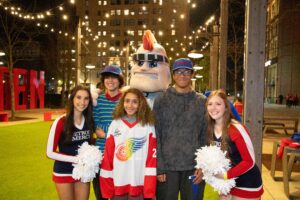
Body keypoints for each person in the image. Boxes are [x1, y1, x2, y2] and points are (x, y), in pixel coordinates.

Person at [153, 58, 207, 200]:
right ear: (173, 75)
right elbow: (156, 135)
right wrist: (159, 167)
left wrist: (202, 166)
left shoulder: (201, 101)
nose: (182, 75)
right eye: (178, 72)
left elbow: (205, 136)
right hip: (167, 168)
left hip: (193, 168)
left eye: (186, 72)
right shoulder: (161, 100)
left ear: (192, 74)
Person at [206, 89, 263, 199]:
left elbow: (249, 161)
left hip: (246, 182)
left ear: (226, 107)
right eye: (210, 104)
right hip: (225, 183)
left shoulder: (236, 129)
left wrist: (226, 175)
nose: (213, 108)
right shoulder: (209, 129)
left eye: (218, 104)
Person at [100, 88, 157, 199]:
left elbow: (152, 158)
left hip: (138, 182)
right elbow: (108, 156)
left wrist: (149, 188)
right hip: (119, 182)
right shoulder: (115, 124)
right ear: (122, 103)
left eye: (135, 101)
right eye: (127, 101)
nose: (130, 105)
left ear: (141, 104)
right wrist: (107, 185)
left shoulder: (148, 125)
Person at [46, 85, 94, 200]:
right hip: (64, 171)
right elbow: (49, 152)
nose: (82, 102)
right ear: (72, 99)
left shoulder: (89, 121)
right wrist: (77, 160)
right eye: (78, 97)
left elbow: (89, 144)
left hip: (83, 171)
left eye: (86, 98)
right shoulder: (60, 121)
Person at [92, 64, 124, 200]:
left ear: (120, 80)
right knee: (101, 196)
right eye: (107, 77)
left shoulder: (126, 100)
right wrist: (113, 131)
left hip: (120, 156)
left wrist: (106, 134)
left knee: (119, 195)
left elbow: (125, 128)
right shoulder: (98, 100)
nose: (110, 81)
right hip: (100, 156)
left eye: (114, 77)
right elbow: (96, 125)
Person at [129, 30, 171, 108]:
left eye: (153, 64)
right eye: (140, 63)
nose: (144, 68)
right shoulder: (127, 97)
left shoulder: (170, 100)